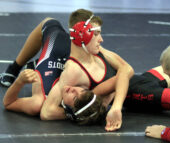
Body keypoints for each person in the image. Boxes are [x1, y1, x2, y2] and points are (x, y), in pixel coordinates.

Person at [2, 9, 134, 131]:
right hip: (60, 51)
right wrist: (81, 112)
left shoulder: (96, 52)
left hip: (74, 52)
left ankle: (34, 65)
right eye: (96, 34)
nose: (101, 39)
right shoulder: (73, 71)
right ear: (84, 35)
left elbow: (127, 70)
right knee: (49, 23)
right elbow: (46, 112)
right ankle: (15, 67)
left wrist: (115, 106)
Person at [62, 65, 170, 127]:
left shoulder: (93, 93)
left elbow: (124, 72)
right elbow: (124, 72)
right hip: (138, 93)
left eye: (83, 91)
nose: (74, 89)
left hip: (138, 83)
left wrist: (115, 105)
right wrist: (116, 107)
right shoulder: (96, 93)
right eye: (75, 97)